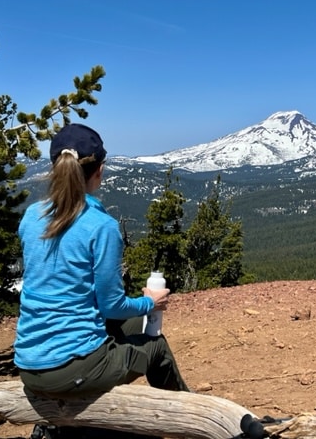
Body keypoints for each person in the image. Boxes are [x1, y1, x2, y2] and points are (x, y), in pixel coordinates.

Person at [14, 123, 188, 420]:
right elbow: (111, 305)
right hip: (67, 368)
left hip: (29, 362)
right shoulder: (101, 226)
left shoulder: (32, 216)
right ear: (100, 170)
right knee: (155, 346)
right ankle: (187, 416)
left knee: (136, 327)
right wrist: (150, 302)